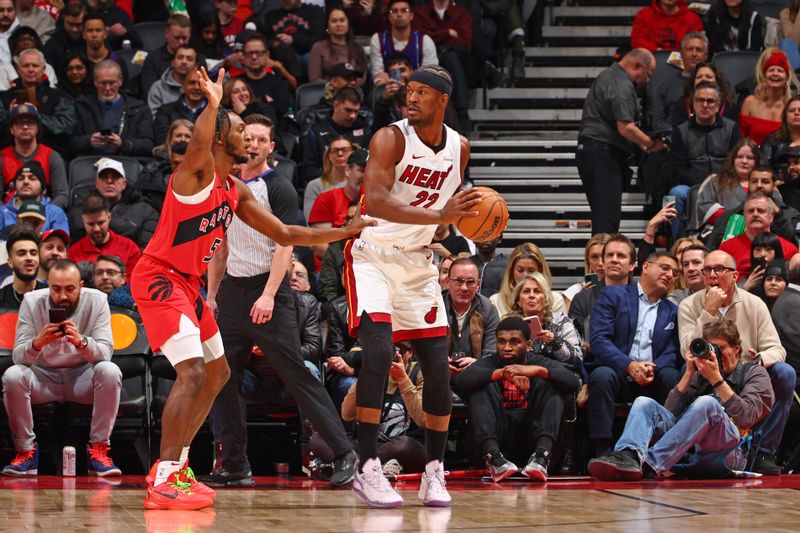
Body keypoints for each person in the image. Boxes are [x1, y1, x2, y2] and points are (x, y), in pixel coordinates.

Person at [129, 67, 371, 511]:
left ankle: (178, 468)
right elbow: (201, 138)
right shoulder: (194, 175)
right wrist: (213, 103)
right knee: (192, 372)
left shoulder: (236, 190)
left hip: (189, 285)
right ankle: (164, 477)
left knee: (218, 374)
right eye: (241, 130)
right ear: (222, 138)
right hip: (159, 277)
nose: (250, 137)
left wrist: (347, 230)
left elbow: (286, 233)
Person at [346, 65, 481, 508]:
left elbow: (450, 207)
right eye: (410, 90)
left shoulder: (459, 147)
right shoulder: (390, 138)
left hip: (418, 261)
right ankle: (367, 468)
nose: (413, 97)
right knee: (380, 353)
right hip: (373, 255)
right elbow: (380, 200)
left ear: (443, 99)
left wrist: (469, 223)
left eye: (423, 92)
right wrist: (441, 218)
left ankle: (434, 473)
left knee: (438, 368)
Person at [200, 113, 358, 488]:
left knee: (298, 375)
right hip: (232, 292)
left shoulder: (279, 187)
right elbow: (219, 246)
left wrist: (270, 294)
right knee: (223, 378)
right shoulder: (225, 185)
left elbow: (285, 242)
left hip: (269, 290)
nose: (252, 145)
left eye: (260, 140)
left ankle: (344, 452)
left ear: (271, 147)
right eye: (247, 138)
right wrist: (210, 295)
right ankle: (235, 465)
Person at [588, 319, 773, 480]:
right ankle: (628, 456)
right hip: (690, 451)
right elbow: (670, 414)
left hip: (731, 453)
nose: (715, 354)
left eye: (721, 348)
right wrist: (690, 372)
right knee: (644, 403)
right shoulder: (700, 373)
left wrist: (716, 379)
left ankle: (650, 464)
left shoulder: (755, 373)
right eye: (711, 348)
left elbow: (748, 417)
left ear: (737, 348)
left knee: (707, 403)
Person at [3, 259, 122, 477]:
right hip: (43, 378)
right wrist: (37, 343)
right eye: (56, 289)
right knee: (12, 376)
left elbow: (106, 352)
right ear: (48, 286)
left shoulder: (98, 300)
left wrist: (81, 342)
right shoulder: (31, 301)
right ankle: (25, 452)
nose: (63, 296)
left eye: (70, 289)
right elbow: (18, 356)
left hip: (81, 378)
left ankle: (99, 450)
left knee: (110, 371)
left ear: (82, 286)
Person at [678, 249, 793, 474]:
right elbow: (687, 351)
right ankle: (687, 451)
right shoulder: (689, 305)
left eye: (719, 269)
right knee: (684, 370)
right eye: (707, 270)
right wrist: (708, 311)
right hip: (706, 373)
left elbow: (777, 349)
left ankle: (763, 452)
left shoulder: (755, 303)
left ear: (735, 275)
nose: (712, 275)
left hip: (747, 372)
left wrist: (759, 360)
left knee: (785, 373)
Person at [455, 316, 581, 482]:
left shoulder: (539, 362)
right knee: (482, 384)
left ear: (528, 345)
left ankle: (541, 459)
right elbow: (460, 382)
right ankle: (495, 460)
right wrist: (500, 374)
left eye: (515, 342)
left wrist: (539, 371)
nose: (507, 347)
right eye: (501, 342)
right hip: (496, 441)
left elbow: (573, 383)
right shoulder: (490, 363)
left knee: (551, 383)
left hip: (533, 440)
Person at [588, 251, 682, 457]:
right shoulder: (614, 295)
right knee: (602, 375)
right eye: (664, 268)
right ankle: (601, 449)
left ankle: (664, 451)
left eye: (674, 272)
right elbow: (599, 339)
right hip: (618, 373)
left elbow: (673, 350)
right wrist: (629, 365)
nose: (669, 274)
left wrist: (651, 367)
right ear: (646, 267)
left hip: (652, 375)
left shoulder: (672, 310)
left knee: (671, 376)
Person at [577, 48, 665, 235]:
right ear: (636, 66)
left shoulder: (611, 77)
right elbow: (625, 127)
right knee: (607, 218)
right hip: (601, 150)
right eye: (647, 76)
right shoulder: (620, 83)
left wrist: (642, 144)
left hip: (597, 149)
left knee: (606, 216)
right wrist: (651, 144)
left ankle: (601, 259)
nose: (645, 82)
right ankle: (601, 262)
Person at [667, 82, 742, 237]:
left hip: (725, 184)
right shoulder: (681, 130)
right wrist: (702, 185)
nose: (705, 105)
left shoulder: (731, 128)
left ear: (718, 105)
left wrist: (717, 183)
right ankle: (677, 244)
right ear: (693, 104)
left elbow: (737, 161)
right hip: (691, 185)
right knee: (675, 194)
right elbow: (677, 166)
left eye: (710, 101)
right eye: (700, 100)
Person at [71, 60, 154, 157]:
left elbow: (148, 145)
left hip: (127, 161)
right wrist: (89, 141)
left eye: (112, 83)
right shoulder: (81, 107)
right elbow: (70, 143)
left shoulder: (139, 108)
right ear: (95, 81)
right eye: (103, 83)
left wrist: (123, 144)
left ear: (120, 81)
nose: (107, 88)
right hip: (91, 160)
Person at [707, 166, 800, 249]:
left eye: (765, 182)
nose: (759, 185)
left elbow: (794, 247)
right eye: (754, 181)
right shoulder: (727, 217)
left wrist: (779, 214)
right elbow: (712, 250)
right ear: (748, 184)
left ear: (774, 185)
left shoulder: (791, 214)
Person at [0, 48, 76, 148]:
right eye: (26, 65)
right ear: (18, 69)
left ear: (43, 69)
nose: (30, 70)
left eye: (35, 65)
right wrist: (10, 115)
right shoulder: (4, 96)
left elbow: (66, 127)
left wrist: (36, 116)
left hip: (50, 153)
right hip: (8, 154)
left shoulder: (58, 96)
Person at [0, 103, 69, 210]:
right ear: (11, 129)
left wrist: (46, 213)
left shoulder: (52, 156)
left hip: (44, 215)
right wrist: (6, 214)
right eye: (19, 123)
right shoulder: (2, 157)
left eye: (30, 123)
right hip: (9, 216)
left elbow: (62, 195)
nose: (25, 127)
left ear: (37, 128)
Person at [569, 234, 637, 341]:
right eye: (609, 255)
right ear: (604, 262)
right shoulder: (581, 299)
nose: (614, 260)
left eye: (621, 256)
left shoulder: (645, 295)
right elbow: (576, 345)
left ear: (632, 265)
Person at [300, 87, 372, 186]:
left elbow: (370, 165)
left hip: (359, 186)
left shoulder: (365, 131)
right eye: (348, 110)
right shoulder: (316, 132)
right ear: (335, 105)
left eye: (356, 111)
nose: (353, 116)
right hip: (326, 185)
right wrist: (336, 179)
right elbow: (309, 169)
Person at [719, 191, 798, 275]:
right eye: (750, 211)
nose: (755, 214)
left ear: (771, 216)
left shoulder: (790, 249)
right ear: (744, 216)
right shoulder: (727, 249)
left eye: (760, 211)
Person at [68, 193, 142, 283]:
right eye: (91, 224)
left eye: (101, 222)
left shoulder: (130, 249)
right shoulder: (73, 253)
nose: (96, 229)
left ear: (109, 217)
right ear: (83, 220)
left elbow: (136, 283)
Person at [442, 257, 499, 372]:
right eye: (458, 281)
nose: (464, 288)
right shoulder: (435, 306)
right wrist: (439, 362)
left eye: (471, 282)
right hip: (439, 374)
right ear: (448, 281)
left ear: (478, 284)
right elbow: (421, 351)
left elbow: (492, 355)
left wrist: (477, 363)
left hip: (475, 376)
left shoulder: (488, 309)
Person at [647, 32, 709, 133]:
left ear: (706, 56)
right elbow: (657, 123)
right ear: (681, 54)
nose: (694, 54)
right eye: (690, 49)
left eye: (699, 50)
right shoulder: (664, 87)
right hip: (675, 139)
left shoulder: (717, 85)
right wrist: (683, 133)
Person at [694, 138, 759, 232]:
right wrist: (735, 222)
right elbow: (704, 207)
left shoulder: (764, 184)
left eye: (750, 158)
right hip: (721, 230)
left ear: (757, 161)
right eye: (740, 157)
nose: (744, 161)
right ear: (733, 159)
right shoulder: (716, 181)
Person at [739, 48, 800, 146]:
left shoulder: (792, 107)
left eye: (780, 71)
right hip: (753, 158)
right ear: (764, 75)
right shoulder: (750, 102)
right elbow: (741, 140)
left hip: (783, 159)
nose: (775, 74)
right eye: (771, 70)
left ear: (787, 77)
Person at [368, 0, 438, 82]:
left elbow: (430, 76)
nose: (399, 14)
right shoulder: (378, 39)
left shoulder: (425, 41)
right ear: (389, 17)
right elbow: (378, 75)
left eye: (404, 10)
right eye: (394, 11)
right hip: (387, 88)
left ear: (411, 15)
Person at [490, 242, 564, 318]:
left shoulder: (556, 301)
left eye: (531, 271)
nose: (525, 275)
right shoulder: (496, 301)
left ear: (541, 272)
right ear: (511, 272)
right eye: (520, 270)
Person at [1, 161, 68, 235]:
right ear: (14, 187)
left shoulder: (55, 213)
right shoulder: (2, 213)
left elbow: (60, 245)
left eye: (32, 178)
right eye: (21, 178)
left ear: (43, 190)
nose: (25, 182)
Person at [308, 8, 367, 86]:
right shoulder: (318, 47)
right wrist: (337, 85)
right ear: (328, 26)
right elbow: (314, 79)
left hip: (353, 91)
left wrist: (347, 85)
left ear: (348, 24)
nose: (338, 24)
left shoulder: (358, 49)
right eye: (334, 21)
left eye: (342, 20)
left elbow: (362, 78)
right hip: (327, 93)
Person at [303, 136, 355, 221]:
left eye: (345, 150)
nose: (340, 154)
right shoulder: (315, 186)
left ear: (353, 153)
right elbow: (310, 220)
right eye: (335, 151)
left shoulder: (359, 184)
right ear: (329, 156)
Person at [139, 14, 192, 94]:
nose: (181, 42)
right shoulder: (153, 59)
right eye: (177, 38)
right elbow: (150, 94)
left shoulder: (198, 58)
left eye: (184, 38)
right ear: (167, 33)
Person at [630, 0, 703, 52]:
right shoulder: (644, 15)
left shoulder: (692, 18)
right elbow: (638, 41)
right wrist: (658, 52)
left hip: (683, 63)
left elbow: (697, 44)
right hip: (651, 61)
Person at [147, 44, 198, 116]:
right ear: (173, 62)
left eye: (189, 59)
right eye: (180, 57)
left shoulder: (201, 88)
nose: (184, 62)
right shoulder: (158, 88)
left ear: (196, 66)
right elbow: (155, 119)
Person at [562, 233, 608, 312]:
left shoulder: (628, 290)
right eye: (594, 257)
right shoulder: (575, 291)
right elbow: (567, 323)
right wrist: (581, 299)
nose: (600, 263)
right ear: (588, 260)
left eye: (605, 256)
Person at [0, 227, 43, 309]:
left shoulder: (50, 296)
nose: (29, 258)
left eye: (33, 253)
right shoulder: (1, 298)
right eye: (21, 253)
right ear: (10, 262)